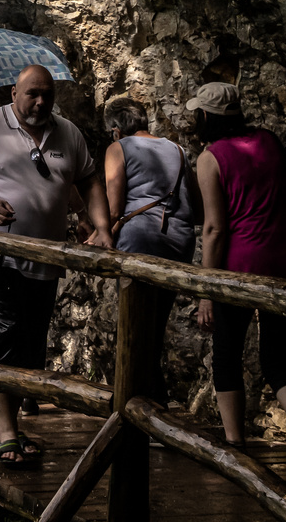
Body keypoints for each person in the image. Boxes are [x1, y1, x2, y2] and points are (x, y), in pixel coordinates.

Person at [0, 63, 113, 470]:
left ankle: (9, 422)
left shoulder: (67, 133)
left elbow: (88, 180)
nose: (39, 102)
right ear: (13, 94)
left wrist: (102, 226)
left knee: (33, 336)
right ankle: (5, 424)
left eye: (46, 95)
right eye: (31, 94)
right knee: (5, 328)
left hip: (46, 254)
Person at [190, 80, 286, 487]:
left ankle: (235, 444)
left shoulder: (211, 158)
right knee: (277, 357)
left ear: (206, 117)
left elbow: (213, 228)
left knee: (227, 354)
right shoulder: (268, 140)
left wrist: (206, 290)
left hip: (241, 265)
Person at [102, 95, 199, 401]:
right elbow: (195, 206)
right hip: (178, 243)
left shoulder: (118, 148)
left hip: (140, 242)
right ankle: (151, 403)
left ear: (116, 129)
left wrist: (102, 232)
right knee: (155, 329)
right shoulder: (177, 149)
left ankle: (144, 406)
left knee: (135, 328)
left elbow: (114, 208)